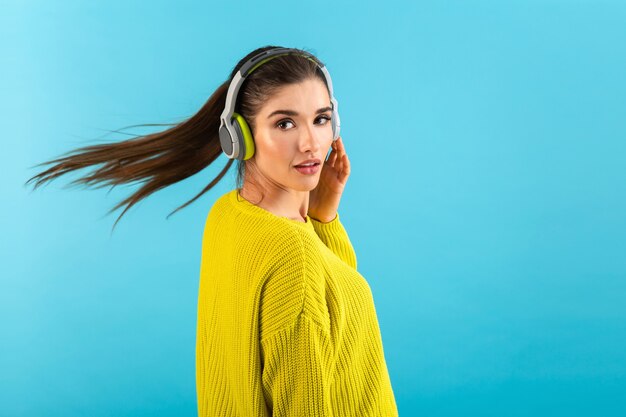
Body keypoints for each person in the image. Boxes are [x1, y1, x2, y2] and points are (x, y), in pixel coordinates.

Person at [26, 45, 398, 416]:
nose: (311, 143)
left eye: (321, 119)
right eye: (284, 123)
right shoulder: (293, 256)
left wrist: (323, 218)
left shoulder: (228, 215)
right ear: (239, 135)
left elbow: (337, 310)